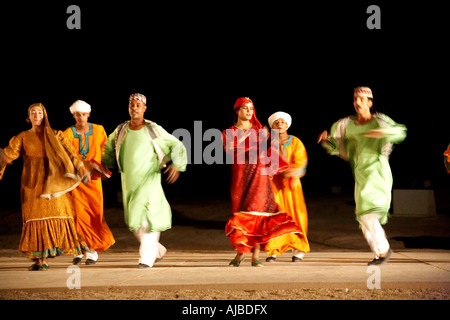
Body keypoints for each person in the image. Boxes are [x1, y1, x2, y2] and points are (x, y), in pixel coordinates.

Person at [318, 87, 407, 265]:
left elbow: (400, 132)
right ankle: (379, 252)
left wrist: (383, 132)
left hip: (377, 171)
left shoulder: (379, 120)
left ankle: (383, 250)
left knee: (368, 215)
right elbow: (338, 149)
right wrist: (326, 142)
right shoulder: (345, 125)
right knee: (363, 216)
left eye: (360, 99)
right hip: (359, 174)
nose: (357, 103)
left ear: (369, 103)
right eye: (355, 99)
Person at [0, 103, 90, 271]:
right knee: (34, 220)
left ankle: (46, 259)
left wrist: (81, 167)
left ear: (44, 116)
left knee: (59, 215)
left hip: (54, 184)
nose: (36, 115)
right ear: (28, 118)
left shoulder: (56, 135)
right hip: (32, 184)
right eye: (33, 113)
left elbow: (71, 153)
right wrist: (2, 158)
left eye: (39, 112)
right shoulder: (23, 137)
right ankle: (38, 260)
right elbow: (8, 154)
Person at [102, 93, 187, 268]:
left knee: (147, 219)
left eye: (138, 106)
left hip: (149, 180)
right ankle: (157, 249)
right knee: (133, 222)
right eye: (131, 105)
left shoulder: (152, 129)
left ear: (144, 109)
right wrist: (104, 167)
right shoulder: (121, 130)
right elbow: (108, 150)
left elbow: (176, 144)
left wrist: (177, 164)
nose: (134, 108)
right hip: (129, 182)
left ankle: (147, 258)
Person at [221, 97, 305, 267]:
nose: (249, 111)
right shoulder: (229, 132)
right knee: (242, 214)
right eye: (245, 108)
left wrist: (269, 142)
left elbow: (271, 150)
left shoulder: (259, 130)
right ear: (237, 110)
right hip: (241, 178)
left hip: (260, 177)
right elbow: (230, 148)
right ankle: (241, 253)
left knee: (259, 215)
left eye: (251, 108)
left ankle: (255, 257)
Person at [64, 100, 115, 265]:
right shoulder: (68, 133)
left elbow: (106, 151)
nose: (81, 117)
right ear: (73, 115)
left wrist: (104, 168)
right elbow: (64, 155)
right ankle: (80, 249)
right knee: (78, 215)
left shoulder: (99, 130)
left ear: (88, 115)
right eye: (78, 115)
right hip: (76, 182)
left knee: (95, 215)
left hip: (94, 181)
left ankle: (92, 251)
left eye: (83, 114)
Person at [265, 112, 310, 262]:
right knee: (274, 215)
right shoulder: (269, 144)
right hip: (274, 185)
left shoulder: (295, 142)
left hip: (291, 185)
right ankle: (273, 250)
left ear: (287, 125)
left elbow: (301, 162)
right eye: (276, 123)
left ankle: (298, 250)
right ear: (272, 126)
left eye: (282, 122)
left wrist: (289, 172)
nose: (280, 125)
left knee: (296, 215)